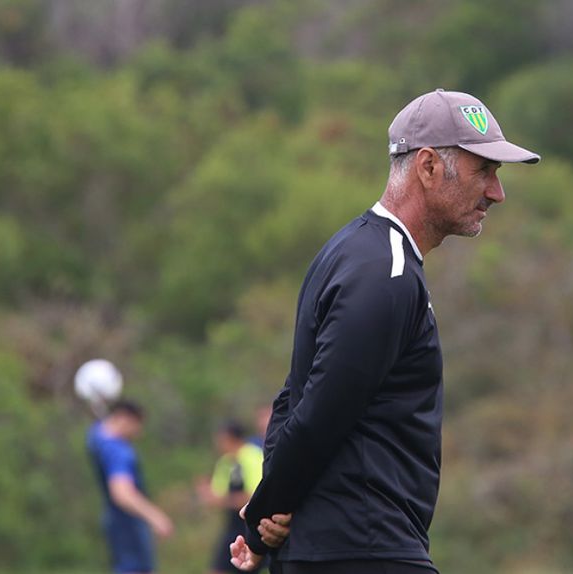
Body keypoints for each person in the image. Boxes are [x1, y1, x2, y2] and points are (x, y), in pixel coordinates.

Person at [229, 89, 539, 573]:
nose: (496, 192)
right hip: (365, 550)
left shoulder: (353, 250)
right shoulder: (386, 272)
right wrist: (264, 516)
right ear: (429, 166)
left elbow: (293, 396)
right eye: (485, 171)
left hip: (343, 548)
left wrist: (271, 512)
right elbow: (319, 409)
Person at [87, 400, 174, 574]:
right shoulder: (119, 451)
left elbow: (99, 425)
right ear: (126, 420)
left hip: (113, 521)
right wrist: (155, 517)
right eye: (137, 426)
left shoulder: (95, 436)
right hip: (128, 524)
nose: (138, 434)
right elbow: (122, 493)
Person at [197, 422, 267, 574]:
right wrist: (206, 492)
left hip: (254, 527)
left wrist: (221, 500)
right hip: (233, 527)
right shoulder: (225, 462)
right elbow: (218, 495)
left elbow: (255, 496)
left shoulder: (252, 456)